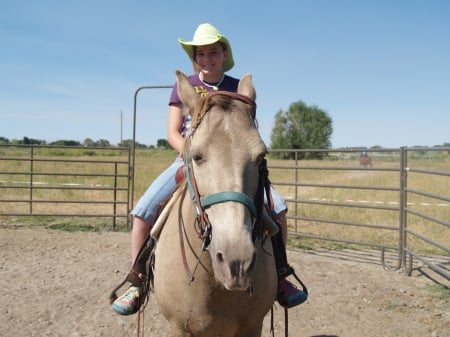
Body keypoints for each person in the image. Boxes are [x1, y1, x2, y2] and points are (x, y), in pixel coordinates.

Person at [112, 23, 305, 316]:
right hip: (190, 160)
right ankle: (137, 278)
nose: (206, 59)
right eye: (200, 54)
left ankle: (279, 273)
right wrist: (191, 154)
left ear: (223, 54)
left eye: (212, 52)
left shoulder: (236, 87)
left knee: (277, 207)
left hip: (231, 164)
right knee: (143, 211)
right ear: (194, 58)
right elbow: (173, 132)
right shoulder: (185, 88)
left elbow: (245, 131)